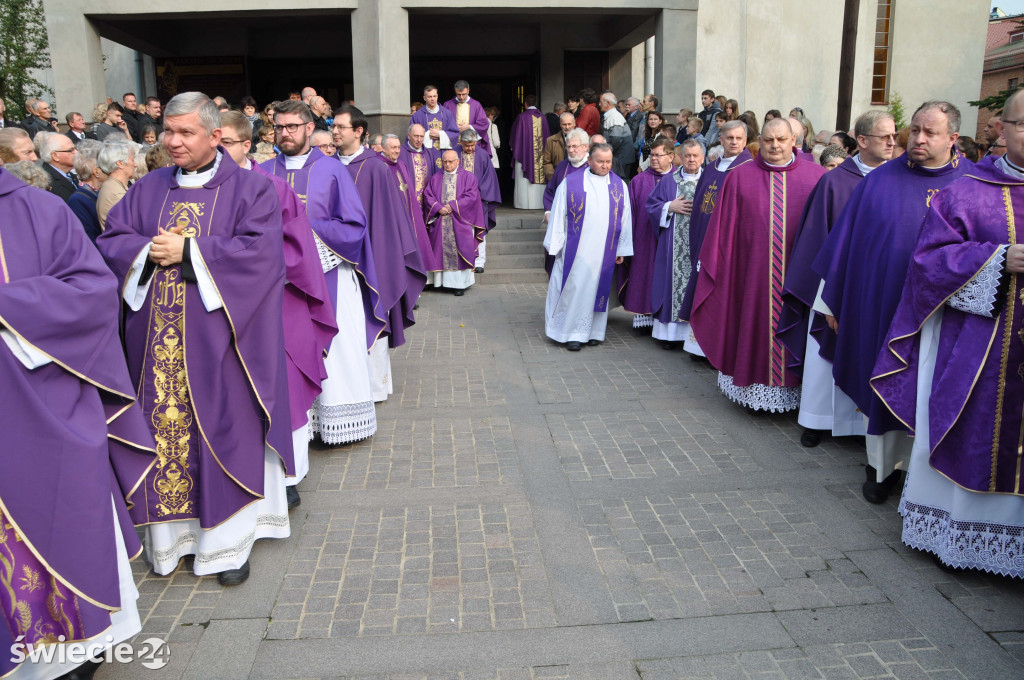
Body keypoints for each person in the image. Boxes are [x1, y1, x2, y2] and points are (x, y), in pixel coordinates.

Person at [97, 92, 293, 586]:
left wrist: (192, 251)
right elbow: (112, 241)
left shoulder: (251, 190)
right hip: (154, 350)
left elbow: (263, 256)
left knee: (223, 434)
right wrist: (146, 250)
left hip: (221, 346)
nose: (174, 141)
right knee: (162, 438)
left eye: (186, 133)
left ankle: (227, 548)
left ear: (214, 135)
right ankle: (171, 544)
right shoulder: (148, 188)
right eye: (169, 131)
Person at [0, 163, 156, 680]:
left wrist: (9, 307)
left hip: (39, 408)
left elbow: (90, 293)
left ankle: (71, 648)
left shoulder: (36, 209)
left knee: (56, 520)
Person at [870, 90, 1024, 578]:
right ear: (1002, 127)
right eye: (1023, 123)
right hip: (982, 353)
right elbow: (926, 264)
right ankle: (962, 533)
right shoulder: (967, 192)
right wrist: (997, 261)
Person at [811, 101, 972, 503]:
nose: (916, 139)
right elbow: (845, 245)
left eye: (929, 132)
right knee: (887, 384)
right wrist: (833, 305)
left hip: (950, 317)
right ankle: (881, 469)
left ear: (953, 137)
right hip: (885, 306)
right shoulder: (880, 180)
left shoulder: (975, 184)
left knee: (941, 392)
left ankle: (931, 478)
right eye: (913, 129)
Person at [262, 99, 384, 446]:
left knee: (336, 345)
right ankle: (300, 423)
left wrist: (305, 230)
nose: (284, 133)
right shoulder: (265, 170)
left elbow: (354, 226)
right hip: (280, 282)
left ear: (308, 128)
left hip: (328, 274)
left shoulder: (332, 169)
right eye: (279, 127)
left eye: (292, 127)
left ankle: (339, 418)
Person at [777, 110, 896, 448]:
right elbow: (815, 242)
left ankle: (863, 427)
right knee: (823, 353)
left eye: (894, 135)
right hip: (832, 288)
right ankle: (818, 419)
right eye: (884, 136)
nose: (892, 142)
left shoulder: (897, 180)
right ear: (862, 140)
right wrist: (828, 299)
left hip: (877, 289)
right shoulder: (834, 182)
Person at [691, 118, 826, 411]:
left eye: (781, 139)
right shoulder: (740, 177)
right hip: (750, 276)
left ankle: (800, 394)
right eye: (768, 140)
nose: (775, 146)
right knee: (752, 324)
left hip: (799, 277)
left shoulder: (816, 177)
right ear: (759, 142)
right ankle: (752, 389)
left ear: (794, 140)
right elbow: (722, 231)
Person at [333, 104, 426, 402]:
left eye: (340, 127)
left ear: (358, 131)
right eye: (333, 126)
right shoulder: (328, 166)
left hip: (369, 260)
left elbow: (388, 221)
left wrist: (381, 261)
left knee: (371, 316)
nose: (334, 131)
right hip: (333, 262)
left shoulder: (375, 168)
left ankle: (374, 388)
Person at [544, 143, 632, 350]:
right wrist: (556, 245)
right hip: (577, 250)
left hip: (604, 250)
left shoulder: (619, 185)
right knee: (574, 288)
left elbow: (625, 219)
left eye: (608, 161)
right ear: (590, 161)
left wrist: (621, 249)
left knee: (597, 289)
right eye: (600, 161)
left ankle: (593, 332)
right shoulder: (571, 183)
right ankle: (571, 333)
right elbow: (558, 214)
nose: (605, 166)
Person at [645, 139, 705, 346]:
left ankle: (694, 339)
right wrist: (669, 207)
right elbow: (651, 206)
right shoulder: (670, 181)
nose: (691, 159)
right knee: (671, 284)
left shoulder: (709, 181)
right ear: (680, 157)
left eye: (695, 155)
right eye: (687, 155)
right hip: (672, 245)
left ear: (702, 158)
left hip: (701, 246)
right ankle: (670, 336)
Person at [618, 136, 675, 330]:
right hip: (644, 239)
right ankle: (643, 318)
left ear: (671, 156)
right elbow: (629, 214)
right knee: (644, 275)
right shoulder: (638, 181)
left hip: (670, 241)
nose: (654, 159)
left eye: (659, 155)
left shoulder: (679, 178)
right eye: (652, 155)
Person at [422, 149, 486, 296]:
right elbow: (428, 195)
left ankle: (459, 284)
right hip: (440, 221)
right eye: (445, 161)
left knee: (461, 250)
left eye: (451, 161)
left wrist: (452, 206)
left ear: (458, 161)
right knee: (438, 250)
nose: (448, 164)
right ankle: (439, 282)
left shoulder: (468, 177)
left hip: (460, 221)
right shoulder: (436, 178)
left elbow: (471, 197)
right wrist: (438, 208)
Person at [381, 133, 435, 273]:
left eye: (398, 147)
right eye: (393, 148)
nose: (397, 151)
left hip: (407, 214)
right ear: (383, 148)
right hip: (389, 218)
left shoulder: (401, 164)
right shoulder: (378, 166)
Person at [456, 129, 501, 271]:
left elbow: (489, 178)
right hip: (458, 202)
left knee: (479, 231)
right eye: (467, 145)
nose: (470, 148)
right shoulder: (454, 153)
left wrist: (476, 194)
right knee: (460, 231)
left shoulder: (482, 155)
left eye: (472, 145)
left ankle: (479, 261)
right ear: (460, 142)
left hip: (478, 201)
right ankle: (462, 260)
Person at [543, 127, 590, 226]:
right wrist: (548, 212)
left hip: (587, 222)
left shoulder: (594, 167)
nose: (571, 150)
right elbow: (550, 190)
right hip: (562, 221)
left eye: (574, 146)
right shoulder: (562, 166)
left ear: (585, 147)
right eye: (568, 147)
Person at [510, 94, 550, 209]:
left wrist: (515, 148)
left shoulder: (521, 118)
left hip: (523, 156)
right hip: (540, 156)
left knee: (523, 179)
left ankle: (523, 204)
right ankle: (538, 204)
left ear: (525, 104)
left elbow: (515, 138)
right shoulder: (543, 118)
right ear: (535, 104)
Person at [67, 139, 106, 243]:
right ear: (96, 171)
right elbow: (88, 238)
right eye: (105, 167)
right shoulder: (78, 200)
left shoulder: (99, 192)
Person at [443, 80, 492, 157]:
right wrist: (454, 127)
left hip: (471, 145)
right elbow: (442, 123)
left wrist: (469, 127)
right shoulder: (448, 105)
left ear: (468, 91)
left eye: (464, 94)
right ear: (455, 91)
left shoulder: (476, 105)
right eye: (459, 94)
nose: (461, 97)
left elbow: (484, 124)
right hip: (453, 144)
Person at [96, 141, 137, 231]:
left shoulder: (112, 186)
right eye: (132, 160)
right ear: (120, 164)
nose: (135, 164)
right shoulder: (117, 194)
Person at [399, 123, 439, 205]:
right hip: (408, 201)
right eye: (416, 136)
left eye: (421, 136)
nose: (419, 140)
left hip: (426, 201)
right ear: (409, 135)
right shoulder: (400, 153)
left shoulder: (429, 153)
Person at [411, 84, 458, 151]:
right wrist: (427, 135)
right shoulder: (417, 116)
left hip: (443, 154)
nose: (432, 99)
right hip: (425, 153)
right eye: (430, 97)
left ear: (437, 96)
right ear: (424, 98)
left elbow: (455, 134)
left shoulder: (447, 114)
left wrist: (440, 134)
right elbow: (411, 135)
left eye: (434, 96)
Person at [38, 132, 78, 201]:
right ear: (55, 156)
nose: (76, 152)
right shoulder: (46, 182)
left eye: (75, 148)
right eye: (71, 150)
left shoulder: (68, 173)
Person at [543, 112, 574, 182]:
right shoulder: (551, 141)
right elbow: (546, 162)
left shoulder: (582, 139)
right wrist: (554, 178)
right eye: (564, 124)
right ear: (560, 124)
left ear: (574, 124)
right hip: (557, 180)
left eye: (569, 124)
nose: (567, 127)